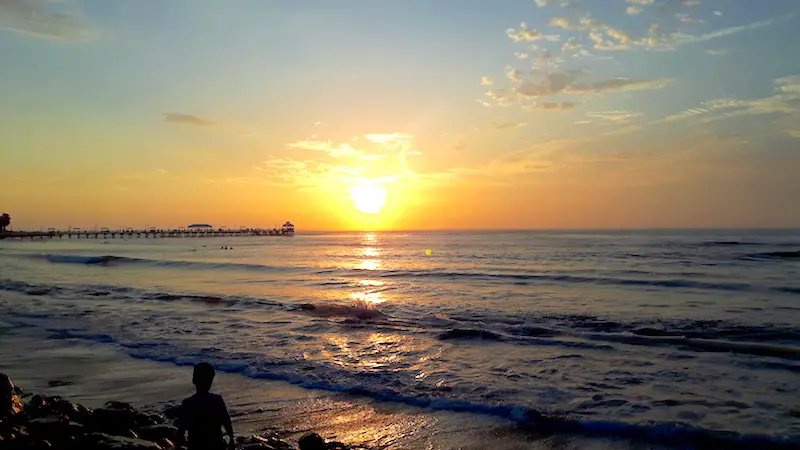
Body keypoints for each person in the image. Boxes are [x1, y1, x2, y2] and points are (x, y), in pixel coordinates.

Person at [176, 362, 234, 450]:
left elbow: (182, 428)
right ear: (211, 381)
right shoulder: (217, 400)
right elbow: (226, 421)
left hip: (195, 445)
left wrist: (179, 442)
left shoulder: (187, 403)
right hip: (215, 444)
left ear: (194, 380)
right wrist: (231, 438)